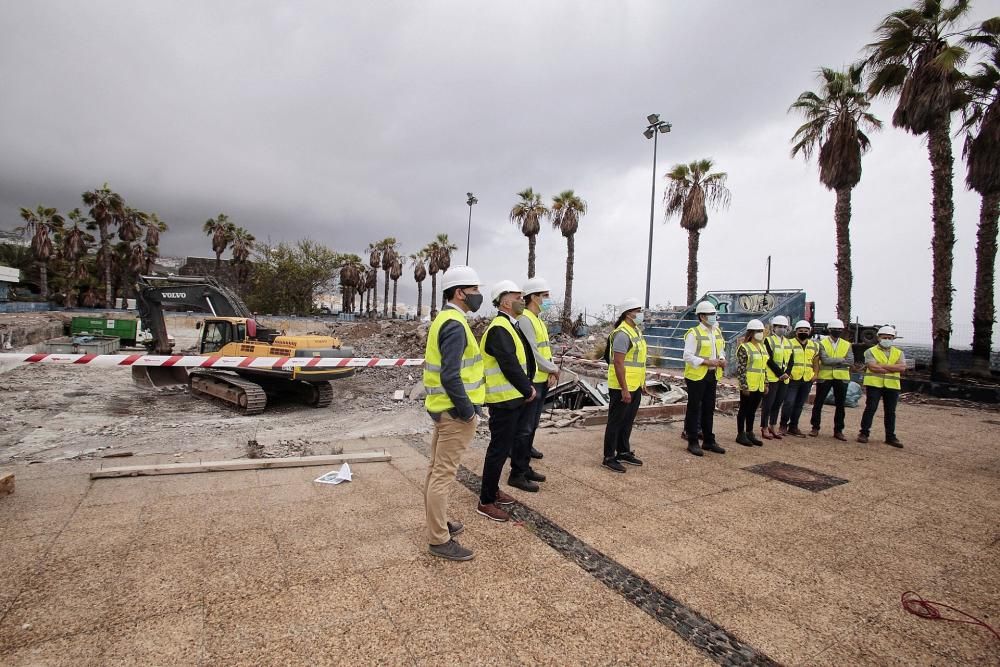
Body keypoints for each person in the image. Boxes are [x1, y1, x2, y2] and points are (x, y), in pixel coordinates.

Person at [422, 265, 486, 561]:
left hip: (442, 410)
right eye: (474, 290)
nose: (477, 296)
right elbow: (450, 375)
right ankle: (439, 539)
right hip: (454, 414)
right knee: (443, 475)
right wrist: (468, 412)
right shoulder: (455, 325)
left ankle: (439, 525)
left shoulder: (444, 319)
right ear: (459, 293)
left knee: (436, 471)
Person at [478, 280, 537, 521]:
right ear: (505, 301)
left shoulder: (510, 326)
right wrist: (528, 389)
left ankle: (493, 490)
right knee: (498, 450)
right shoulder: (499, 328)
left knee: (502, 450)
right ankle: (486, 501)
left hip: (512, 398)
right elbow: (509, 364)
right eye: (518, 296)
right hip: (503, 400)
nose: (522, 300)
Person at [515, 277, 559, 468]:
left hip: (543, 378)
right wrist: (553, 369)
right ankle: (519, 459)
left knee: (533, 422)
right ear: (533, 297)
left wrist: (551, 371)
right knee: (525, 425)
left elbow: (545, 350)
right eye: (545, 295)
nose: (548, 299)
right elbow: (532, 352)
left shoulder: (538, 320)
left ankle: (527, 448)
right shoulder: (525, 320)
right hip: (532, 379)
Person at [602, 298, 648, 472]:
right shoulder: (622, 334)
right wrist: (624, 389)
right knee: (616, 421)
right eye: (637, 310)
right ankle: (609, 457)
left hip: (635, 384)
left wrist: (642, 383)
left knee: (627, 420)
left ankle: (623, 451)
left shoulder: (635, 331)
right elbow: (619, 363)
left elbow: (639, 361)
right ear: (628, 313)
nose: (640, 314)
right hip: (622, 386)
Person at [683, 301, 727, 457]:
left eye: (714, 314)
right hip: (696, 376)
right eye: (711, 314)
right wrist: (706, 361)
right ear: (702, 316)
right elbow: (687, 355)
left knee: (709, 407)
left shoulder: (717, 332)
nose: (714, 317)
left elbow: (721, 350)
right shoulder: (693, 333)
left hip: (712, 375)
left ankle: (709, 440)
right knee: (695, 408)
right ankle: (692, 441)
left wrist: (722, 359)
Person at [858, 326, 906, 448]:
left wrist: (882, 366)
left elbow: (902, 368)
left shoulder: (898, 352)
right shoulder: (871, 351)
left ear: (893, 338)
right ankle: (864, 433)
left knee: (890, 412)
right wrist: (892, 367)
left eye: (890, 338)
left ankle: (890, 436)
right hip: (874, 384)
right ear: (879, 338)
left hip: (892, 386)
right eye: (884, 337)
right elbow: (872, 367)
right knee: (870, 408)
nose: (887, 339)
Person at [809, 318, 855, 441]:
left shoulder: (847, 344)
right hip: (825, 377)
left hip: (841, 378)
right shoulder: (822, 343)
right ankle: (815, 427)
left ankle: (838, 430)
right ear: (829, 330)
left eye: (839, 329)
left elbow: (850, 361)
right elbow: (825, 360)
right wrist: (841, 360)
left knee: (840, 405)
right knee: (818, 403)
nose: (837, 331)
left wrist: (834, 361)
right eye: (835, 329)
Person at [780, 320, 820, 437]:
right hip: (793, 378)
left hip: (807, 378)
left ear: (810, 331)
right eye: (800, 331)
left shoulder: (814, 345)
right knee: (789, 402)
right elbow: (784, 360)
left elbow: (816, 361)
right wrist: (788, 373)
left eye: (806, 330)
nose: (803, 332)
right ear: (796, 332)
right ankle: (783, 425)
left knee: (799, 404)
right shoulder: (789, 343)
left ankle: (793, 426)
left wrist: (815, 374)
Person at [760, 315, 793, 441]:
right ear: (773, 328)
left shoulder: (788, 342)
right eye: (779, 327)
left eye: (784, 327)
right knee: (768, 404)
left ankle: (773, 426)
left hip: (784, 379)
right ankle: (764, 427)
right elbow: (769, 359)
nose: (782, 329)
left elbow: (791, 360)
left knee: (778, 403)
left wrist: (787, 373)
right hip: (773, 377)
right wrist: (780, 373)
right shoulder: (768, 340)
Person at [735, 319, 767, 447]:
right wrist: (743, 386)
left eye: (761, 331)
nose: (760, 333)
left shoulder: (762, 347)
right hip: (748, 385)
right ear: (751, 333)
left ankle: (750, 432)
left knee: (753, 410)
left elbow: (764, 368)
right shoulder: (744, 347)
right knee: (744, 409)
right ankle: (740, 434)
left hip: (759, 384)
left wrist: (766, 383)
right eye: (757, 331)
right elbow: (741, 369)